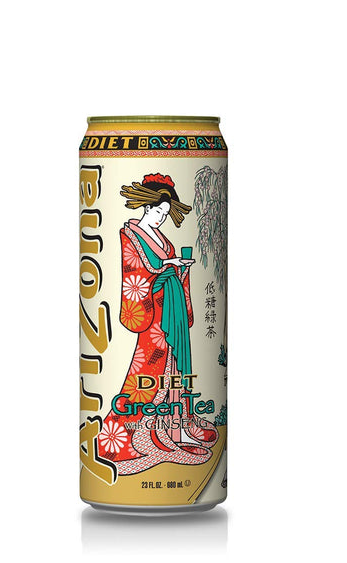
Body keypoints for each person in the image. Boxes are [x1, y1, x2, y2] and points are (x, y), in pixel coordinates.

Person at [97, 173, 218, 476]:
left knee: (174, 368)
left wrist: (179, 269)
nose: (162, 218)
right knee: (148, 370)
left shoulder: (161, 238)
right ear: (147, 207)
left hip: (171, 307)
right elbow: (136, 270)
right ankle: (121, 436)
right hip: (153, 314)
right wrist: (167, 266)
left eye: (166, 214)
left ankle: (175, 428)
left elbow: (163, 268)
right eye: (159, 212)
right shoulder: (131, 234)